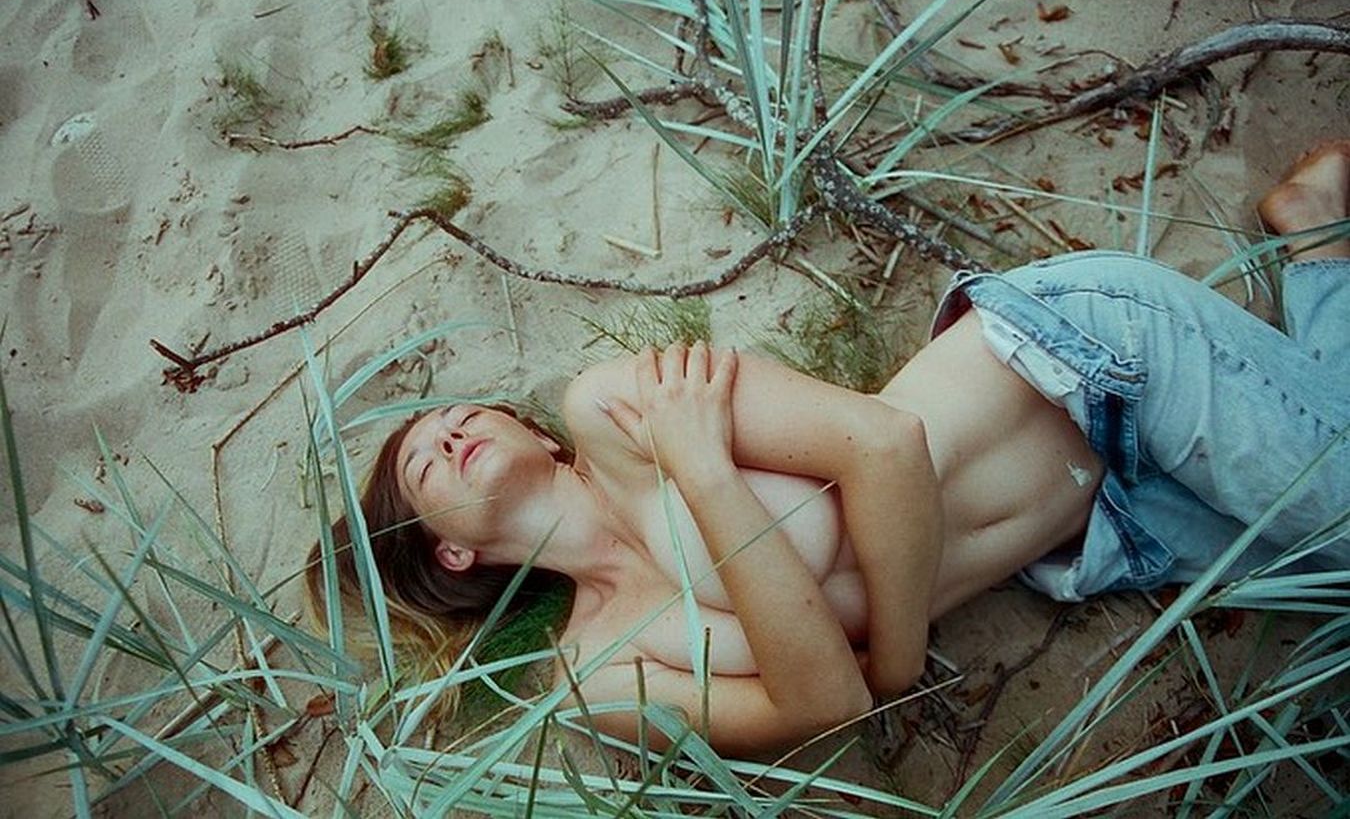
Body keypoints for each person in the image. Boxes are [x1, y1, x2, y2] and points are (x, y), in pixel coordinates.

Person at [306, 141, 1350, 757]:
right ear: (452, 553)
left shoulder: (613, 412)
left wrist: (893, 660)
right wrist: (707, 474)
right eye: (422, 465)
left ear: (534, 431)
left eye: (454, 418)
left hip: (1083, 357)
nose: (447, 432)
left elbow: (885, 444)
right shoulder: (598, 671)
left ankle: (1319, 245)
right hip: (1111, 522)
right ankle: (1319, 246)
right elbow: (821, 706)